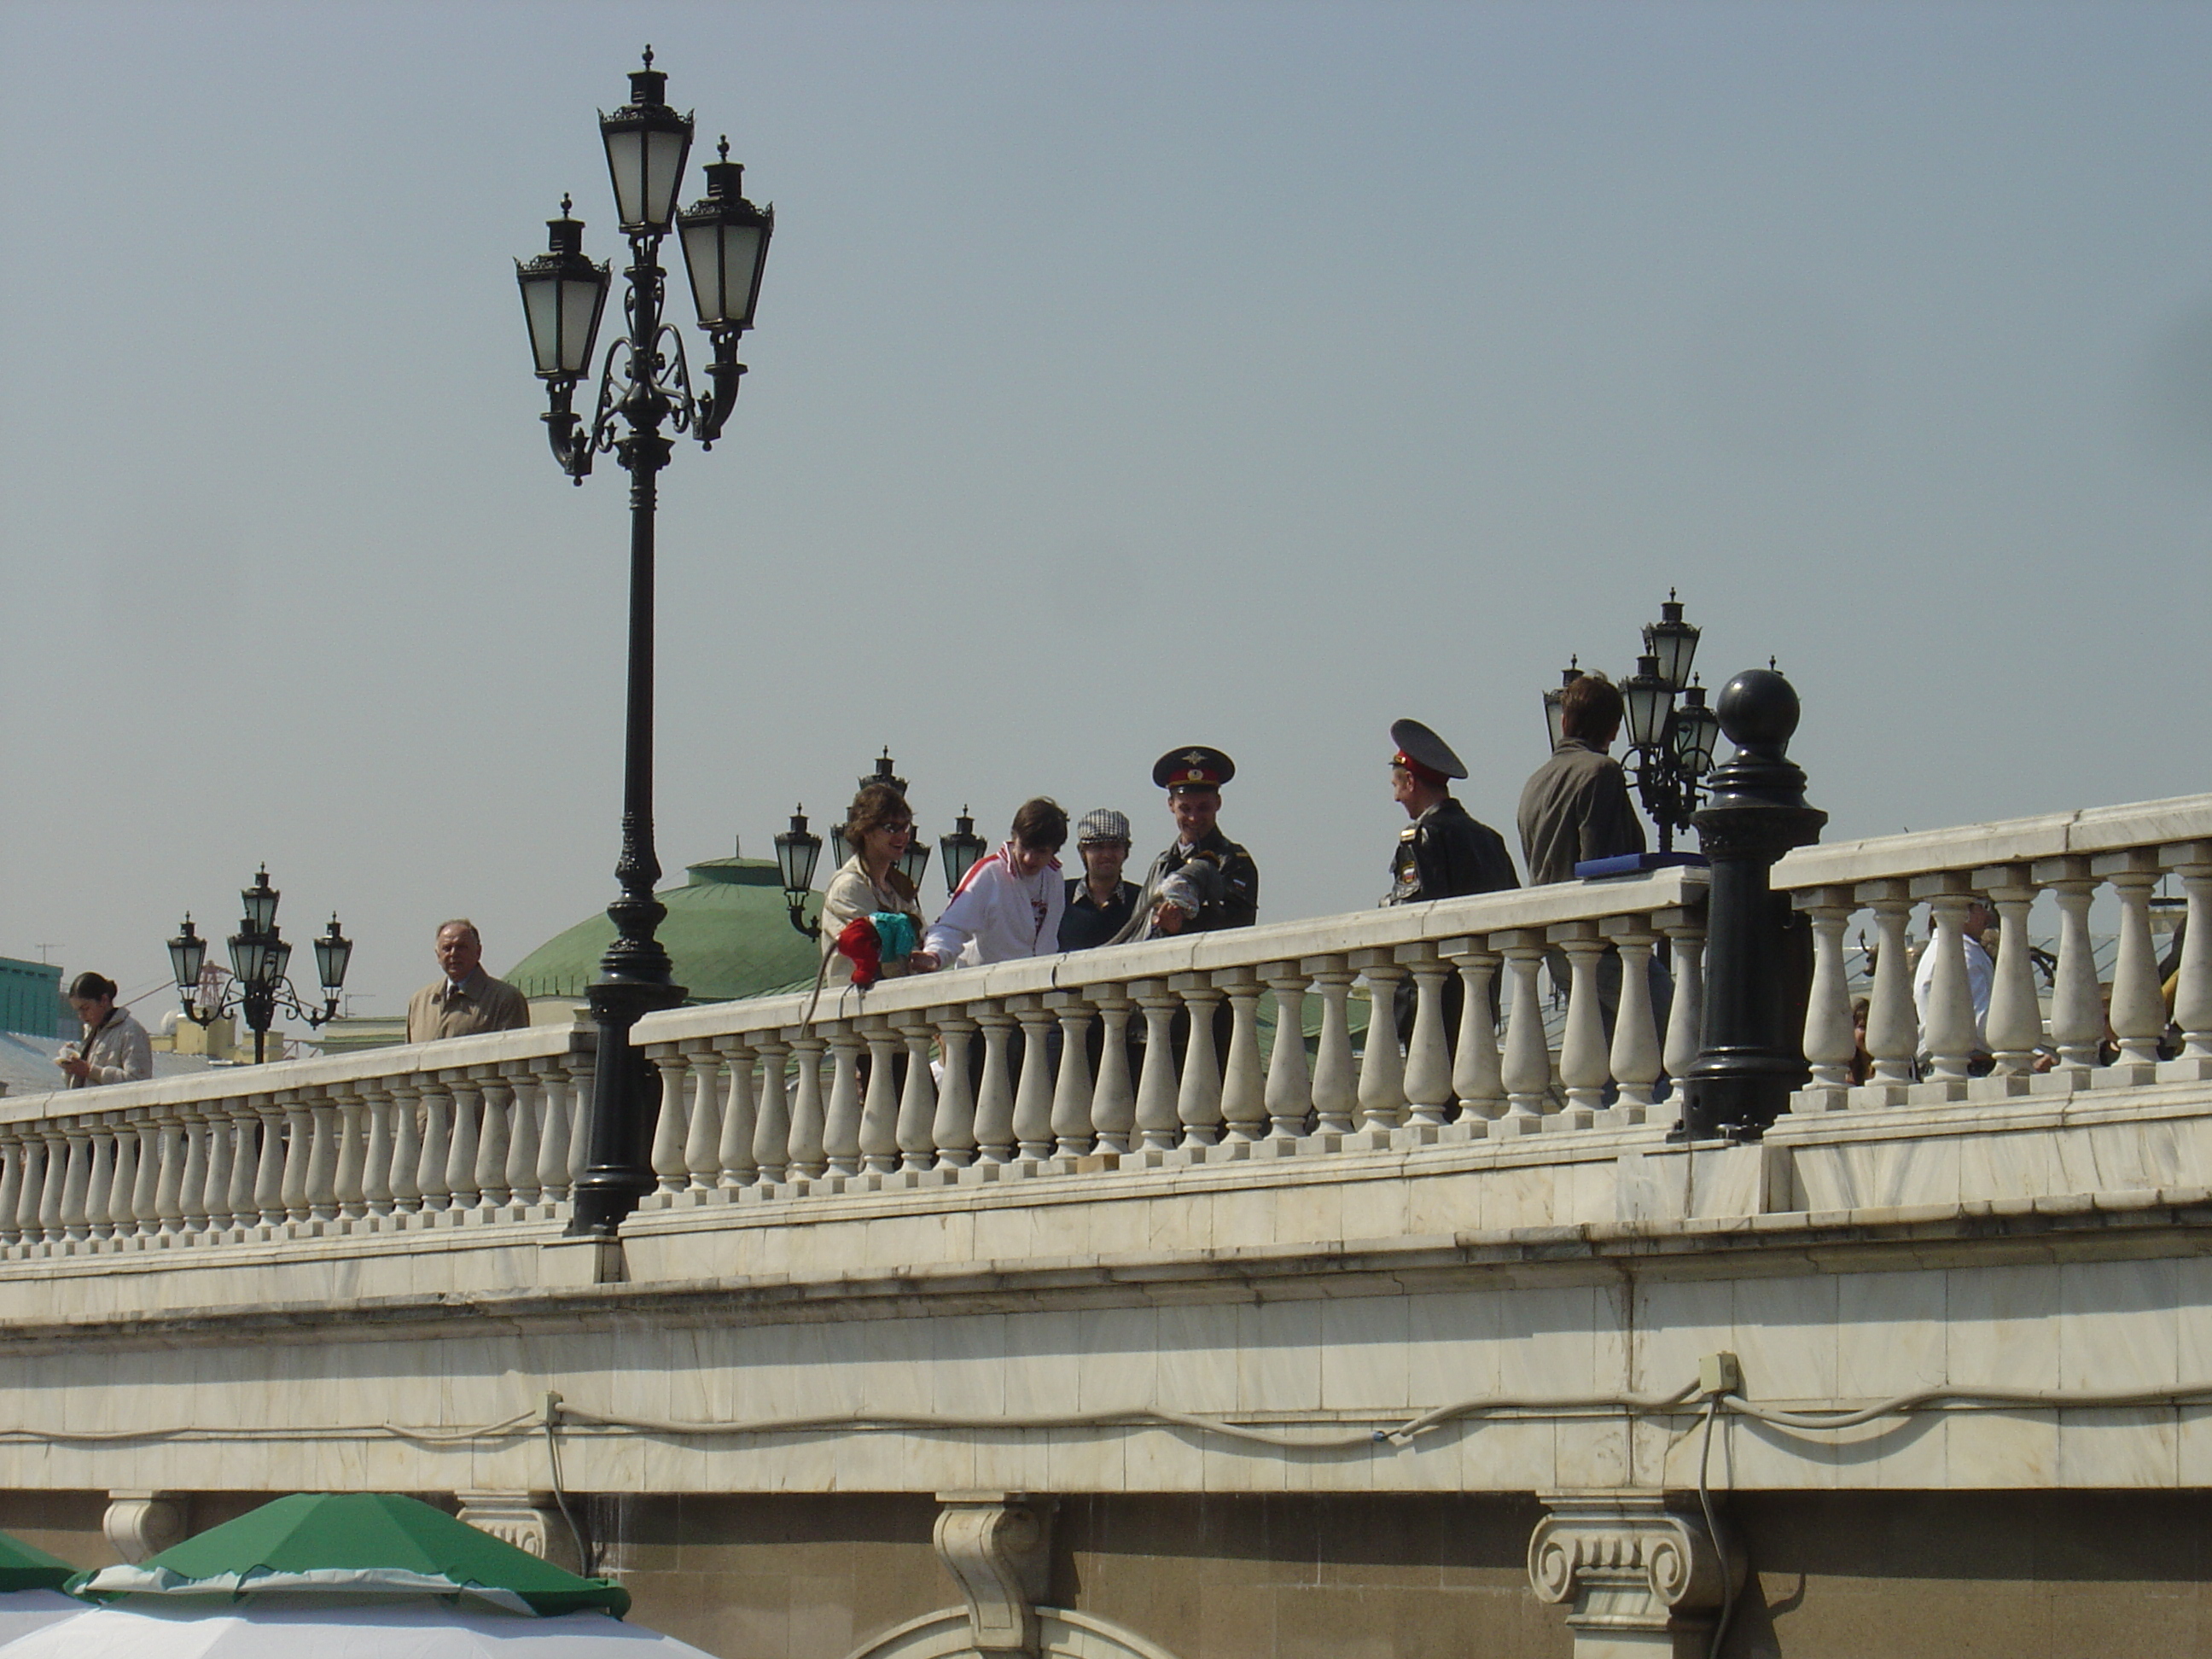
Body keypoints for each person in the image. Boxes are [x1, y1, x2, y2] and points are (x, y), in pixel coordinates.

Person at [1110, 747, 1259, 944]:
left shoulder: (1233, 861)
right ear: (1171, 805)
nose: (1194, 818)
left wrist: (1181, 926)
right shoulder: (1162, 863)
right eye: (1185, 808)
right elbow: (1140, 927)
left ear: (1218, 803)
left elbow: (1238, 924)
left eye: (1203, 808)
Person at [1516, 673, 1645, 885]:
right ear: (1614, 730)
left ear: (1564, 721)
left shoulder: (1533, 782)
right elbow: (1601, 866)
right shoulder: (1602, 771)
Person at [1382, 719, 1518, 905]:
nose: (1396, 798)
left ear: (1410, 782)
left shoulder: (1421, 837)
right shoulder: (1491, 839)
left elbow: (1409, 912)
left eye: (1396, 786)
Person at [920, 798, 1070, 969]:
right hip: (984, 985)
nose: (1029, 858)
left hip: (1035, 984)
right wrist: (935, 955)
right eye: (1025, 847)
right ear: (1015, 837)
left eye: (1041, 852)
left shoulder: (1054, 878)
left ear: (1054, 851)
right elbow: (952, 925)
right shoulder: (988, 874)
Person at [818, 782, 934, 986]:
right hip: (857, 1006)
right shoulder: (848, 887)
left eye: (905, 827)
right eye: (891, 828)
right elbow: (877, 950)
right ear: (866, 830)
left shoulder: (900, 887)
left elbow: (920, 939)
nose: (902, 836)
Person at [406, 920, 531, 1043]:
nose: (453, 954)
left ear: (478, 952)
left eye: (461, 947)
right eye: (447, 948)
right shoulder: (420, 1001)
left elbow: (512, 1055)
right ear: (438, 955)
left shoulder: (504, 999)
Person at [1912, 894, 1994, 1059]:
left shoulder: (1935, 950)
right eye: (1983, 906)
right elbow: (1981, 1022)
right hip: (1970, 1062)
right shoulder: (1965, 954)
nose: (1988, 915)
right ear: (1965, 911)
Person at [1060, 809, 1141, 951]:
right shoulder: (1058, 897)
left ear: (1126, 851)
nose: (1106, 855)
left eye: (1114, 847)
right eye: (1098, 847)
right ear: (1082, 852)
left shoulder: (1140, 900)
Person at [55, 972, 152, 1087]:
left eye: (86, 1008)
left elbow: (139, 1083)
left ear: (104, 1000)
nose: (81, 1016)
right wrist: (71, 1067)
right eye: (78, 1011)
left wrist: (90, 1071)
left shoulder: (131, 1032)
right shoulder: (90, 1034)